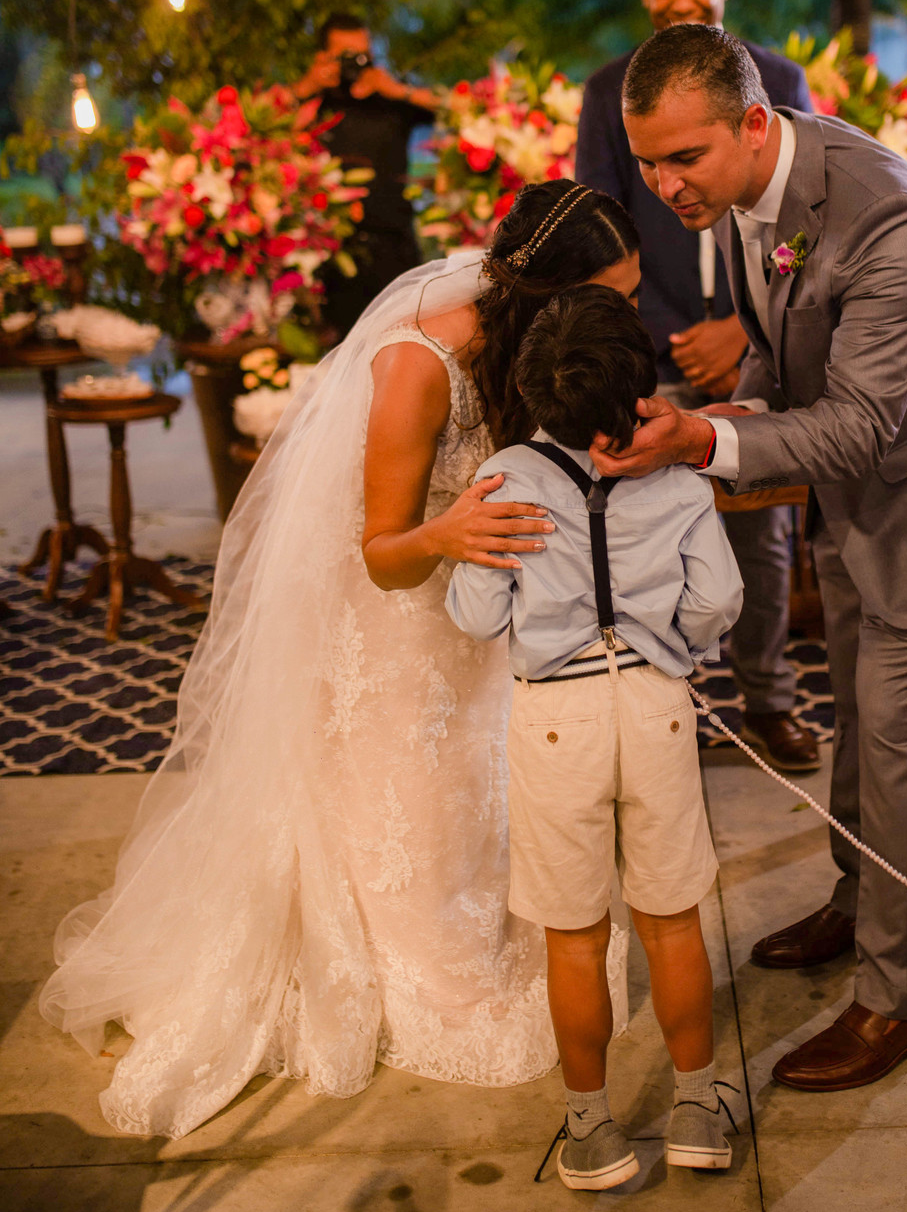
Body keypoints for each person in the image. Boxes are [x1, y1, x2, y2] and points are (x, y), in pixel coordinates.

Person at [40, 181, 642, 1140]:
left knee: (484, 797)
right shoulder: (419, 362)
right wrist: (453, 530)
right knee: (413, 814)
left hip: (482, 622)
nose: (629, 318)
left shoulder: (545, 357)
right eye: (615, 297)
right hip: (398, 628)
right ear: (549, 295)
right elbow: (380, 552)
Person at [589, 24, 907, 1092]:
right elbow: (789, 340)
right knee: (858, 706)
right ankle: (862, 899)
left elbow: (856, 424)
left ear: (754, 125)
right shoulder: (749, 186)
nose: (664, 185)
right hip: (858, 474)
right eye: (649, 162)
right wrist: (726, 405)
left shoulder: (886, 207)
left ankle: (905, 1001)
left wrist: (702, 439)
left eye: (685, 159)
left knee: (900, 732)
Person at [446, 285, 744, 1190]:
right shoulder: (681, 474)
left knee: (573, 937)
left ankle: (591, 1132)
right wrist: (674, 651)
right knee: (673, 918)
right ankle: (697, 1108)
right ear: (637, 381)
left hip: (555, 722)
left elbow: (476, 611)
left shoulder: (504, 478)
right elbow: (718, 599)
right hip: (654, 705)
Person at [576, 0, 819, 774]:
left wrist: (740, 330)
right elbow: (603, 222)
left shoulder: (780, 75)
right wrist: (665, 334)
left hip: (755, 339)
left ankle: (769, 702)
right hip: (656, 344)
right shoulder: (612, 91)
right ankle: (667, 711)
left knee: (762, 533)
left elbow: (806, 224)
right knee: (647, 530)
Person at [290, 12, 439, 337]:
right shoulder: (313, 104)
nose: (356, 63)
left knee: (401, 343)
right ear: (323, 56)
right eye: (346, 56)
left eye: (363, 54)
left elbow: (451, 107)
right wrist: (308, 85)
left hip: (395, 245)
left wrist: (397, 89)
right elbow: (260, 131)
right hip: (331, 254)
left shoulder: (388, 99)